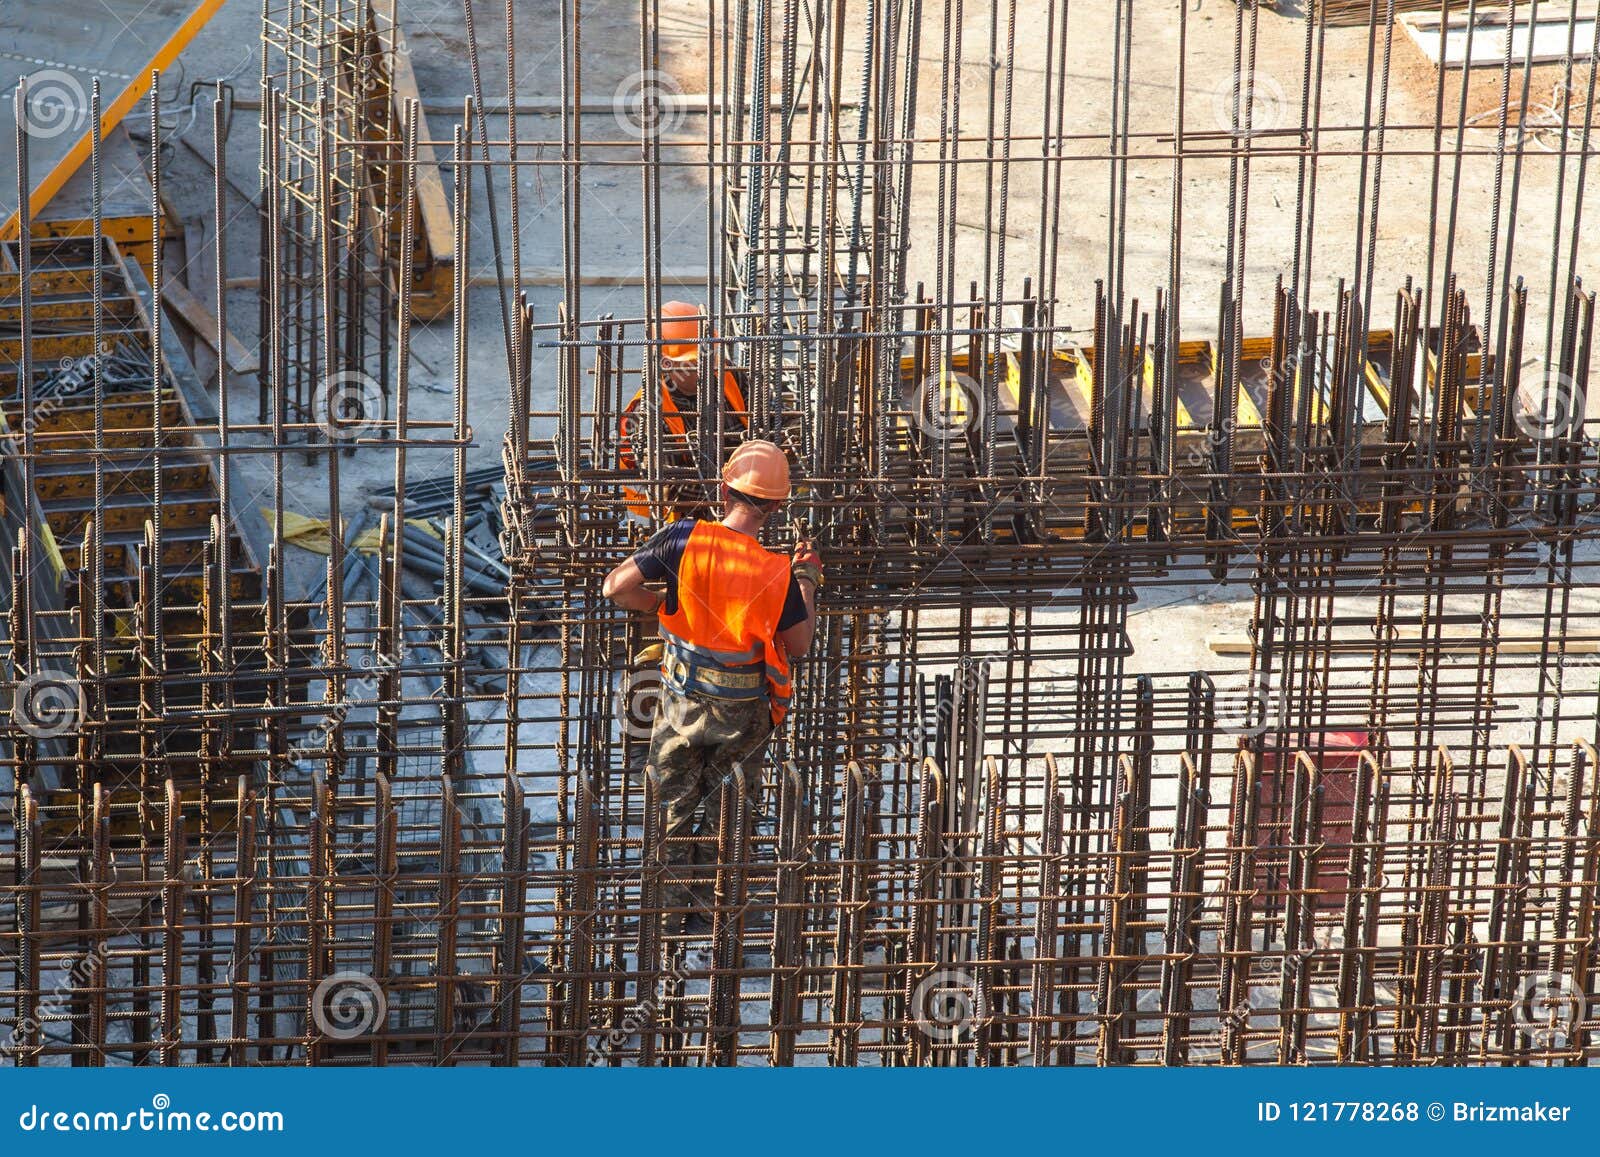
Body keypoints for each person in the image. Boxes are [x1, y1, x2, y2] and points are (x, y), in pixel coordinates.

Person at [602, 439, 822, 933]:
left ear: (725, 491)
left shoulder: (684, 538)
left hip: (682, 700)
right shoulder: (776, 571)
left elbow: (615, 587)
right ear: (776, 507)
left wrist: (662, 604)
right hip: (744, 711)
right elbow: (800, 644)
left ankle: (664, 919)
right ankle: (711, 914)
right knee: (728, 812)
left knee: (671, 809)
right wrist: (807, 578)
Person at [618, 301, 749, 519]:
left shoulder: (730, 375)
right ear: (666, 363)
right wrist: (742, 491)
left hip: (744, 503)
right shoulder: (647, 412)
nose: (707, 364)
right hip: (683, 520)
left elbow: (778, 416)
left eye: (709, 353)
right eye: (696, 360)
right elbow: (671, 487)